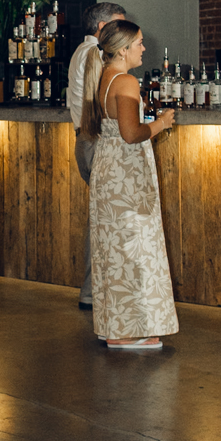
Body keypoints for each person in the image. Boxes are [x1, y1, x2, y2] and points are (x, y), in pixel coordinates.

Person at [80, 20, 179, 349]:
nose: (143, 48)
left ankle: (114, 325)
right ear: (122, 49)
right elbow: (131, 133)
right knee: (135, 250)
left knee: (114, 251)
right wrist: (161, 124)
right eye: (138, 43)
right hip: (125, 175)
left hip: (109, 171)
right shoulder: (126, 82)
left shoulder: (102, 78)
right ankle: (129, 332)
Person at [67, 2, 126, 309]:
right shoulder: (94, 55)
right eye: (119, 26)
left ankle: (95, 291)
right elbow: (102, 105)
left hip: (86, 140)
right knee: (104, 219)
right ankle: (94, 293)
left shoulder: (83, 52)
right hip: (96, 140)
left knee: (101, 217)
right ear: (102, 28)